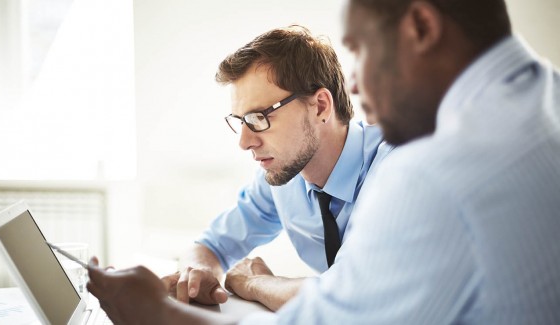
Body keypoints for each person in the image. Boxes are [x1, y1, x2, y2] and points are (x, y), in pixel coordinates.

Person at [87, 0, 560, 323]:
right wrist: (204, 271)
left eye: (359, 51)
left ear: (421, 27)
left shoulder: (428, 168)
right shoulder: (543, 98)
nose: (353, 85)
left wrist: (159, 314)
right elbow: (213, 243)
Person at [157, 25, 384, 311]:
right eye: (241, 121)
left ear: (320, 107)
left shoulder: (396, 170)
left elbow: (353, 294)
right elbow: (209, 246)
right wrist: (196, 272)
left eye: (258, 118)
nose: (244, 142)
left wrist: (255, 283)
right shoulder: (284, 176)